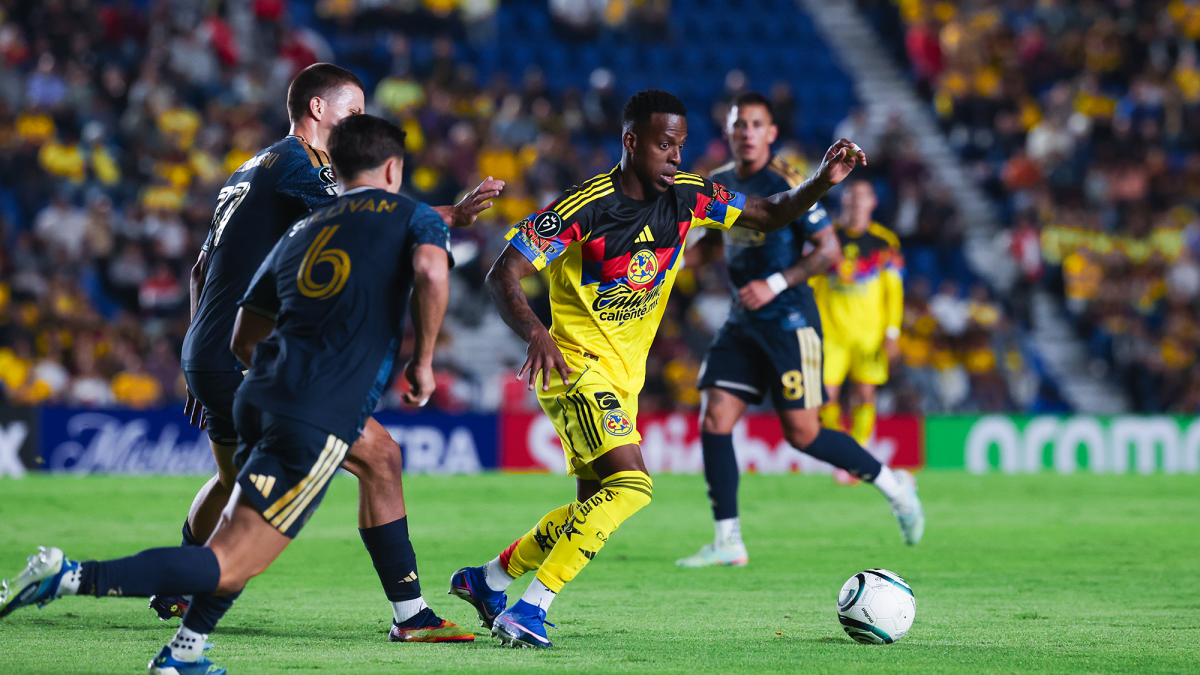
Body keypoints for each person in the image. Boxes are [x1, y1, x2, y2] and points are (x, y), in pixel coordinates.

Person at [0, 115, 475, 673]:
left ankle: (184, 651)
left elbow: (243, 334)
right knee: (231, 560)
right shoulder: (412, 216)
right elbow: (432, 273)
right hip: (315, 412)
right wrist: (422, 362)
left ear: (337, 169)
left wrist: (269, 376)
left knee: (239, 521)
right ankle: (67, 575)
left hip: (256, 394)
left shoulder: (300, 233)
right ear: (393, 169)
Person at [447, 89, 866, 648]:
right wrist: (537, 333)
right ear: (631, 141)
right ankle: (529, 610)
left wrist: (821, 181)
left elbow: (766, 215)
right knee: (632, 486)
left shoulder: (689, 195)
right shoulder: (582, 208)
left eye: (681, 145)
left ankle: (488, 580)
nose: (676, 156)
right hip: (575, 367)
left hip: (624, 378)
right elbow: (503, 273)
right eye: (665, 145)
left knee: (590, 508)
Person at [165, 63, 501, 637]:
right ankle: (411, 615)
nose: (360, 121)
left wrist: (201, 354)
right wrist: (455, 214)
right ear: (317, 110)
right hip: (247, 355)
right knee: (380, 457)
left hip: (215, 349)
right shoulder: (303, 163)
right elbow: (371, 218)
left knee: (235, 482)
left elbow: (201, 269)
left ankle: (176, 584)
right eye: (353, 110)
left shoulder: (249, 168)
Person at [675, 94, 925, 569]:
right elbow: (713, 245)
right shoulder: (719, 183)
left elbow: (828, 251)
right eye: (739, 125)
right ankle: (728, 540)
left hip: (789, 320)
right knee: (714, 417)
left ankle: (895, 487)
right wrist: (668, 267)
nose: (747, 132)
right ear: (729, 132)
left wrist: (774, 283)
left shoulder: (789, 180)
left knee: (804, 434)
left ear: (771, 133)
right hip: (742, 320)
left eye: (756, 124)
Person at [814, 180, 904, 451]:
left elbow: (894, 292)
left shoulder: (885, 242)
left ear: (872, 202)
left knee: (865, 393)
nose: (856, 201)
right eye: (851, 195)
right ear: (843, 199)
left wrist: (892, 331)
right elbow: (810, 282)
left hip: (869, 333)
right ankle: (843, 452)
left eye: (862, 196)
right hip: (830, 331)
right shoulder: (827, 238)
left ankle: (860, 449)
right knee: (824, 397)